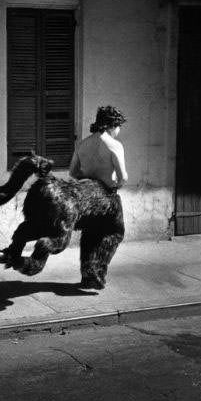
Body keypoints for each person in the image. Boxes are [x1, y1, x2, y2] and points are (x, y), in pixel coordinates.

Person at [69, 105, 128, 289]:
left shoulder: (83, 144)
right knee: (115, 233)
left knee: (89, 236)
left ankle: (87, 276)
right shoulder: (114, 145)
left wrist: (88, 181)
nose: (119, 131)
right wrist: (114, 186)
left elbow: (73, 172)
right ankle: (98, 271)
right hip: (107, 195)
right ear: (112, 125)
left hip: (88, 195)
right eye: (118, 126)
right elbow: (123, 177)